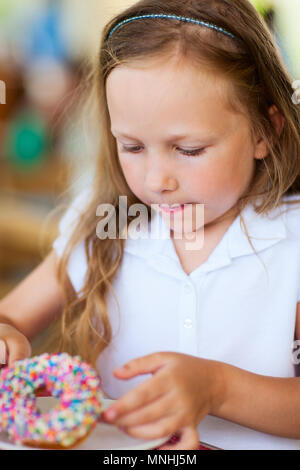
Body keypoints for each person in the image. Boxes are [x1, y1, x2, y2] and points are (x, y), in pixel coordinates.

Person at [1, 0, 300, 451]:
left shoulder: (291, 242)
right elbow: (11, 318)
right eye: (133, 147)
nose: (157, 181)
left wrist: (217, 388)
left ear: (265, 130)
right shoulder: (109, 224)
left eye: (190, 149)